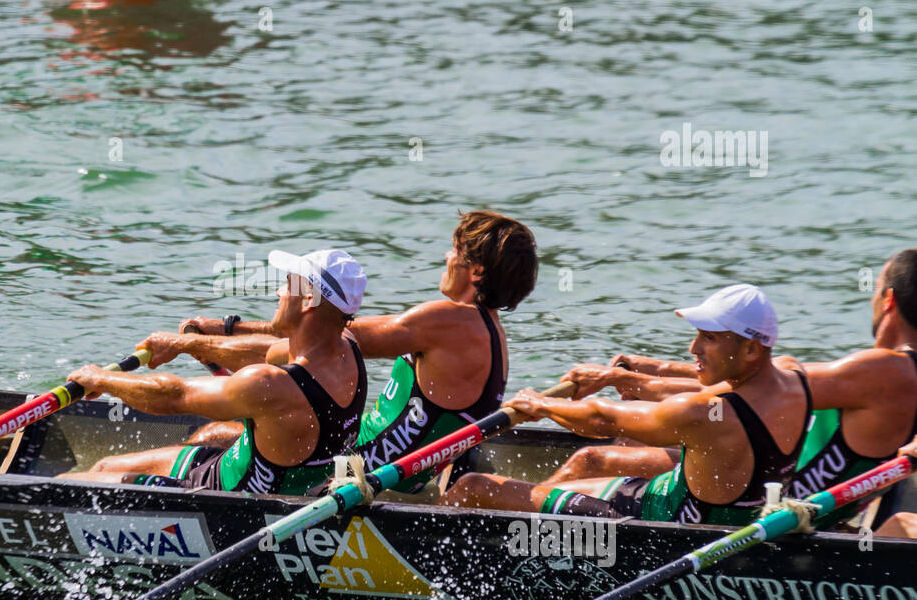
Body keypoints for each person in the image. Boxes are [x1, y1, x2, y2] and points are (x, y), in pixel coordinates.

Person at [144, 211, 538, 497]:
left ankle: (172, 497)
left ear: (477, 272)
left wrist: (207, 336)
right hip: (387, 465)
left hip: (357, 470)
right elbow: (322, 338)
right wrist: (219, 342)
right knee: (232, 431)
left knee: (213, 433)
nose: (446, 258)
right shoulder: (489, 332)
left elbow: (325, 335)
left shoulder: (450, 321)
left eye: (455, 251)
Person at [554, 251, 917, 530]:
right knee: (635, 443)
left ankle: (517, 539)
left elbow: (760, 393)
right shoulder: (900, 371)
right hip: (790, 484)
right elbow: (760, 379)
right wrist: (651, 371)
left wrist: (638, 383)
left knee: (595, 459)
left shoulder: (887, 371)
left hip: (770, 498)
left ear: (888, 300)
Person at [445, 285, 814, 525]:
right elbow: (712, 385)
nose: (694, 347)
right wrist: (624, 379)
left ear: (750, 349)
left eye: (711, 338)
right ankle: (528, 529)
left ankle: (452, 552)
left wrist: (539, 404)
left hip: (653, 522)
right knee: (589, 461)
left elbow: (603, 418)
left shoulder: (707, 416)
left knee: (472, 486)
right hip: (725, 513)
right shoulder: (791, 375)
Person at [68, 249, 368, 494]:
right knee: (212, 434)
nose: (279, 291)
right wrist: (185, 344)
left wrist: (99, 379)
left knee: (100, 471)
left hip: (226, 496)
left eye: (289, 283)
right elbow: (264, 350)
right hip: (262, 472)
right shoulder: (347, 350)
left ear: (307, 300)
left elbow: (173, 396)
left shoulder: (269, 386)